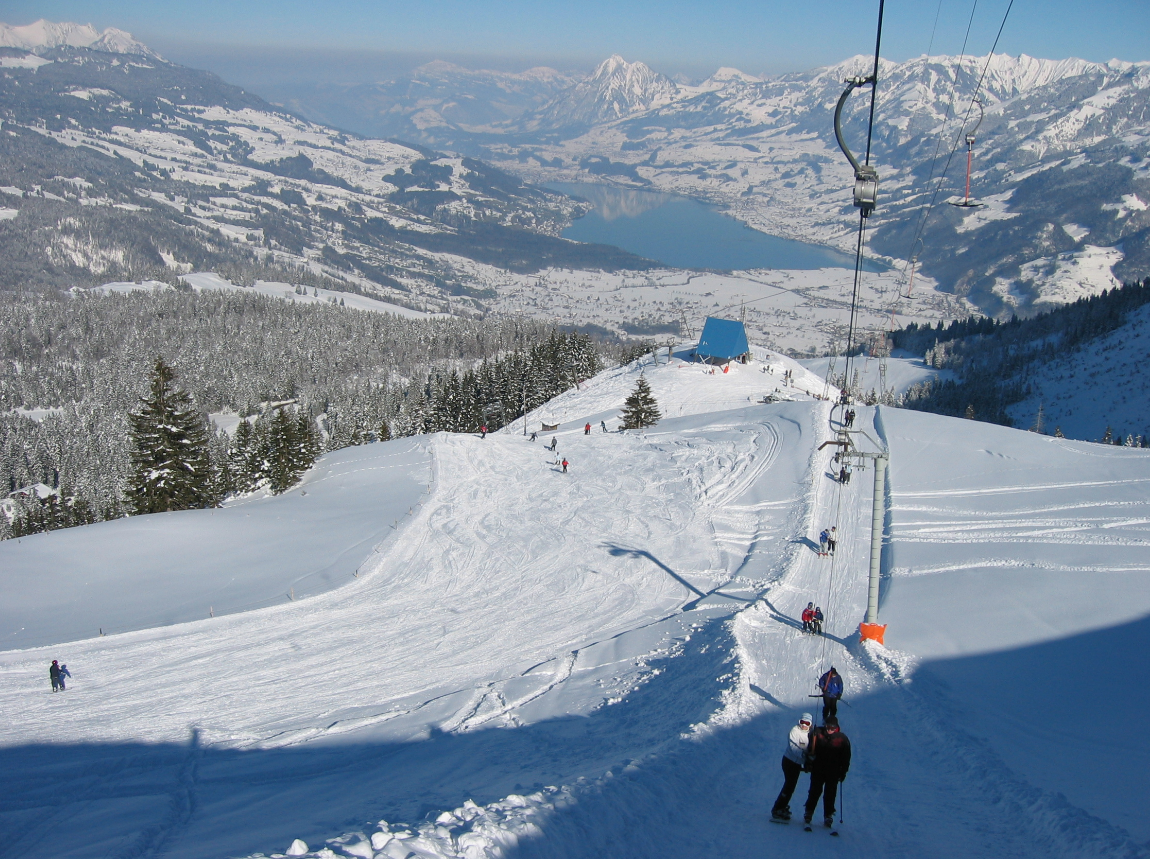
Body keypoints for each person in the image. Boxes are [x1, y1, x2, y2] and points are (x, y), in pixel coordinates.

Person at [803, 715, 851, 828]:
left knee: (830, 794)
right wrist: (808, 762)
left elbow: (846, 757)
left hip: (833, 771)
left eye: (832, 728)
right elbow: (810, 748)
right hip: (818, 769)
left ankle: (828, 815)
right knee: (814, 791)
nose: (830, 729)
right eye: (828, 726)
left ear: (837, 728)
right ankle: (808, 812)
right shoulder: (817, 733)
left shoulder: (842, 739)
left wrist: (843, 771)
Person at [771, 712, 813, 821]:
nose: (804, 725)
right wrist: (806, 757)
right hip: (789, 761)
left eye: (807, 723)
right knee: (789, 785)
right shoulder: (795, 731)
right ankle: (777, 808)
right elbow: (794, 748)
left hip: (798, 764)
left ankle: (783, 805)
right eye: (802, 722)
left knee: (791, 786)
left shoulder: (811, 733)